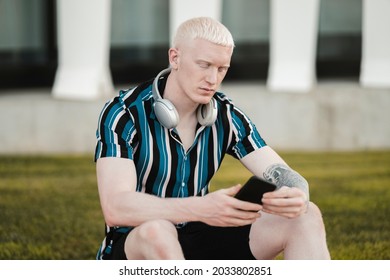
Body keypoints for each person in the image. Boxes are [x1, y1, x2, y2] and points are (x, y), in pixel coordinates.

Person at [94, 16, 331, 260]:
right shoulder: (123, 112)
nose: (212, 79)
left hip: (200, 232)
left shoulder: (224, 114)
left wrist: (297, 193)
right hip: (136, 242)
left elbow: (282, 173)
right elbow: (116, 207)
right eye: (204, 65)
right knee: (158, 230)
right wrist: (200, 207)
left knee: (306, 215)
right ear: (175, 58)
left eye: (221, 69)